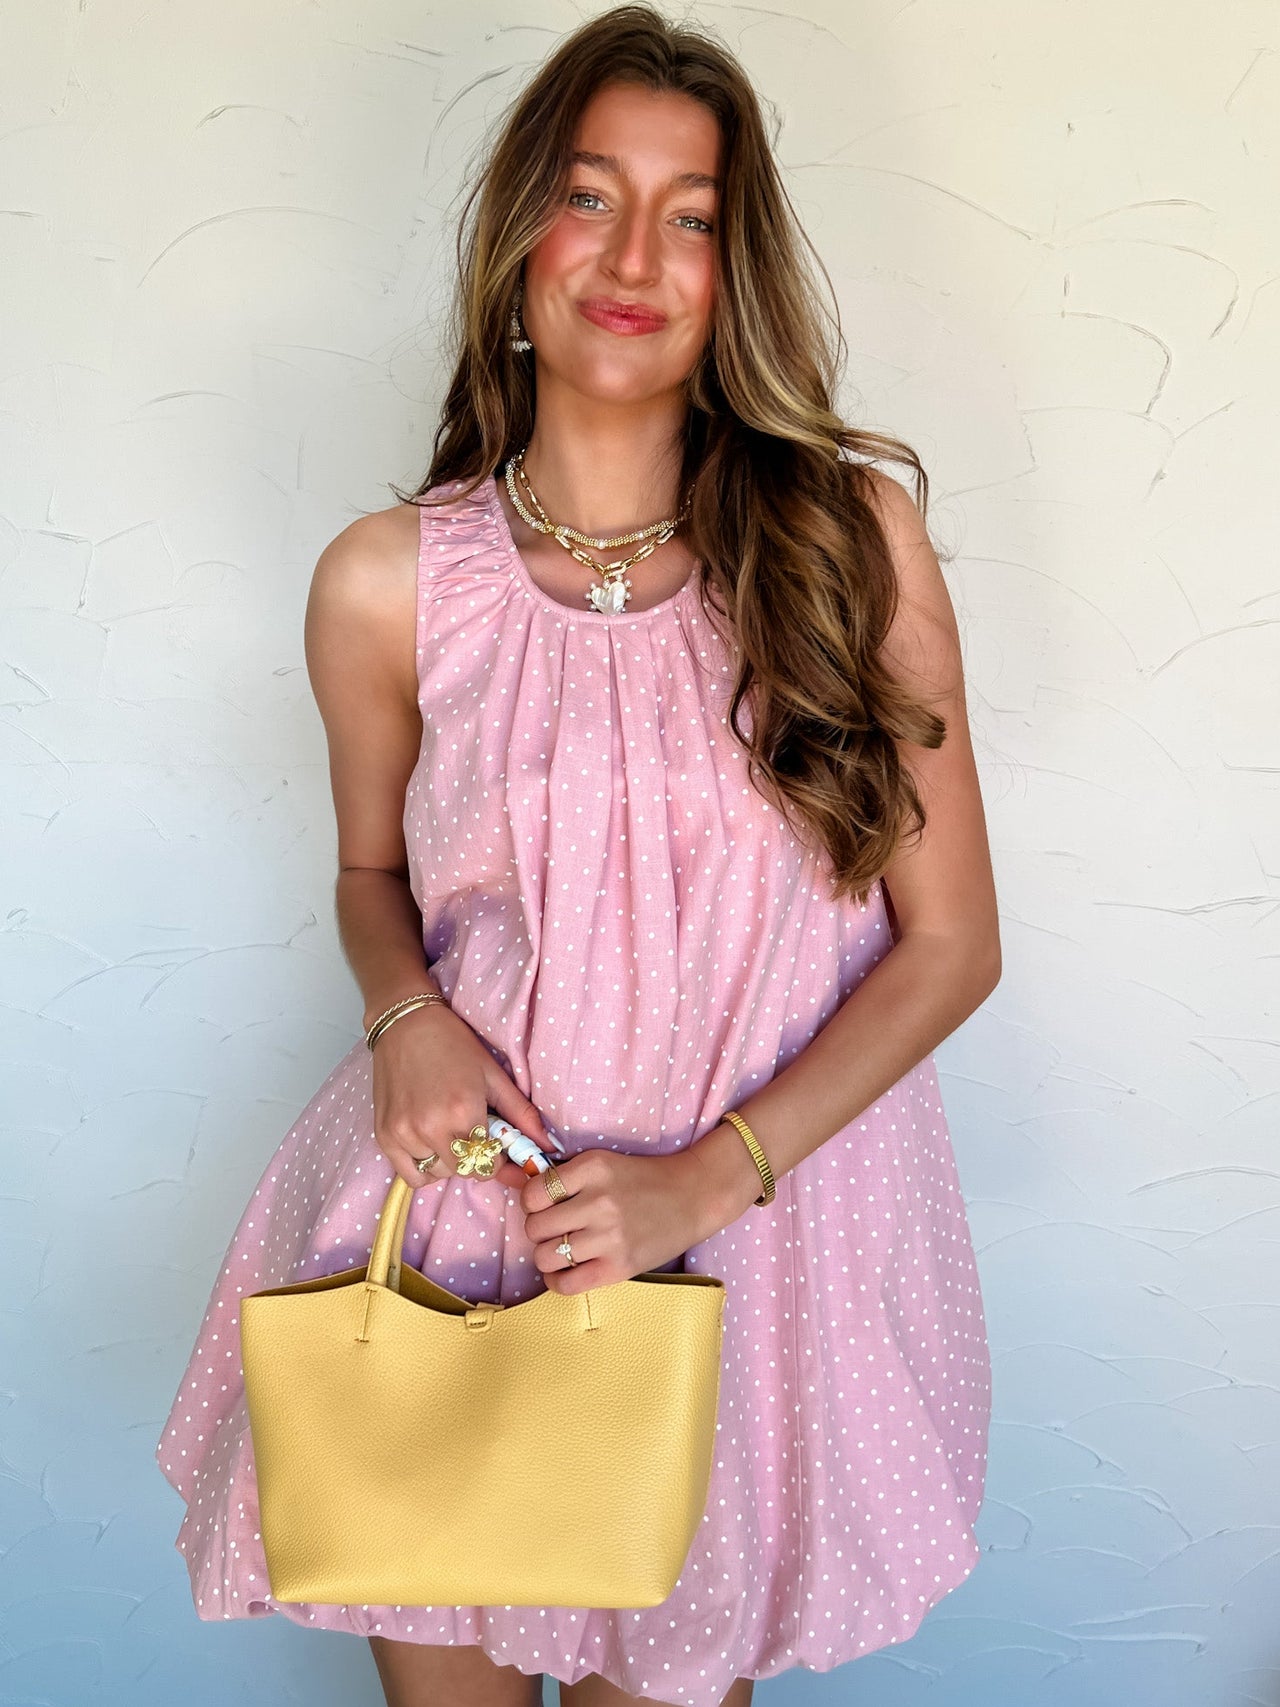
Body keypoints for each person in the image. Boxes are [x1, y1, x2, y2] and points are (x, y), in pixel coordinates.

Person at [154, 6, 999, 1706]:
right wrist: (407, 1019)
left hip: (737, 1255)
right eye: (590, 193)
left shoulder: (849, 548)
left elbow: (951, 945)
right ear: (517, 231)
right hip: (461, 1242)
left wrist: (704, 1178)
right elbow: (369, 879)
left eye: (691, 215)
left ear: (733, 269)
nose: (634, 256)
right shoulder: (388, 584)